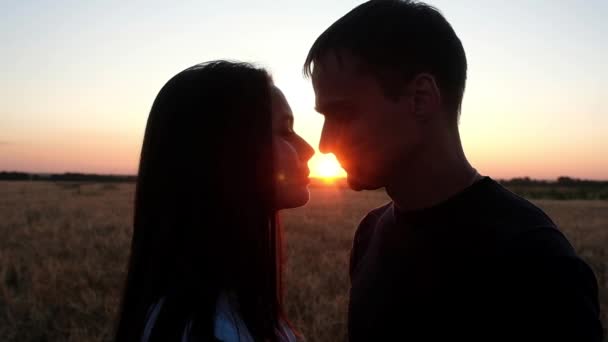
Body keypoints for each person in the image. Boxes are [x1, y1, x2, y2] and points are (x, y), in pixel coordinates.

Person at [303, 1, 603, 341]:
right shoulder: (370, 232)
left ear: (421, 98)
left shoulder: (536, 263)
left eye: (342, 115)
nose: (324, 144)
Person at [113, 60, 314, 342]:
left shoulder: (224, 306)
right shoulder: (212, 330)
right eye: (284, 131)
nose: (308, 149)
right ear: (229, 153)